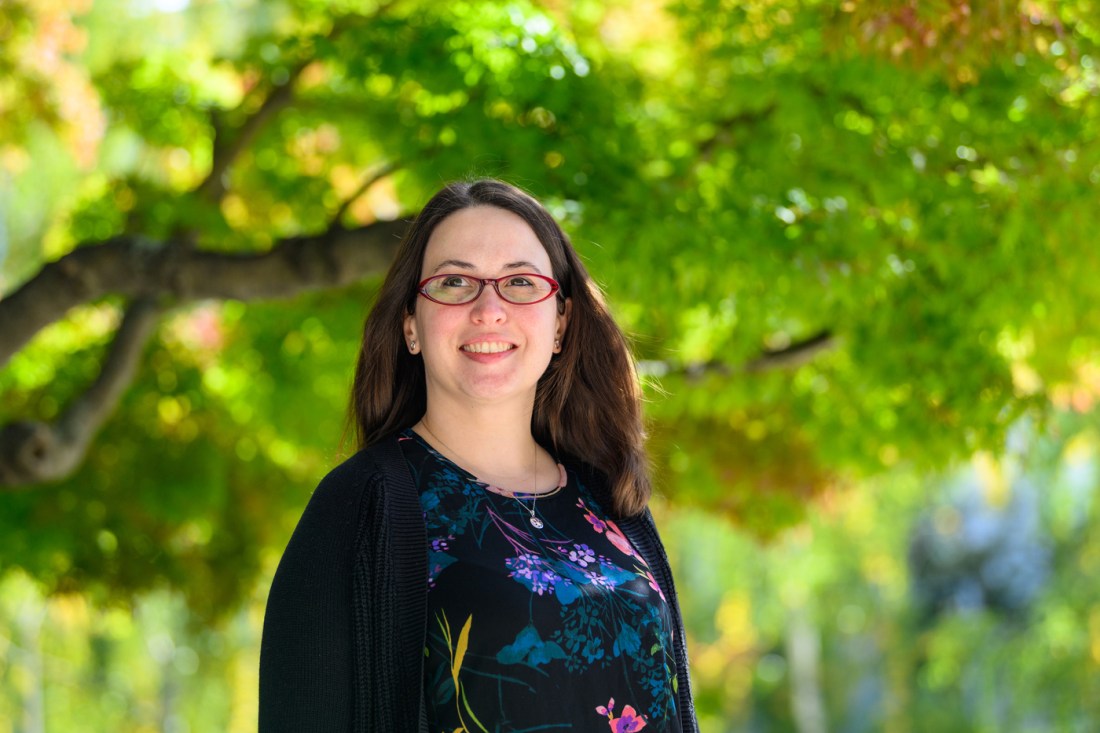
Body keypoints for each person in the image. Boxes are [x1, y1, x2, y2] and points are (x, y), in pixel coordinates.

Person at [259, 179, 697, 732]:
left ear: (560, 322)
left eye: (519, 281)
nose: (489, 309)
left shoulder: (611, 501)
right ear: (410, 325)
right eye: (454, 282)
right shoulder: (360, 507)